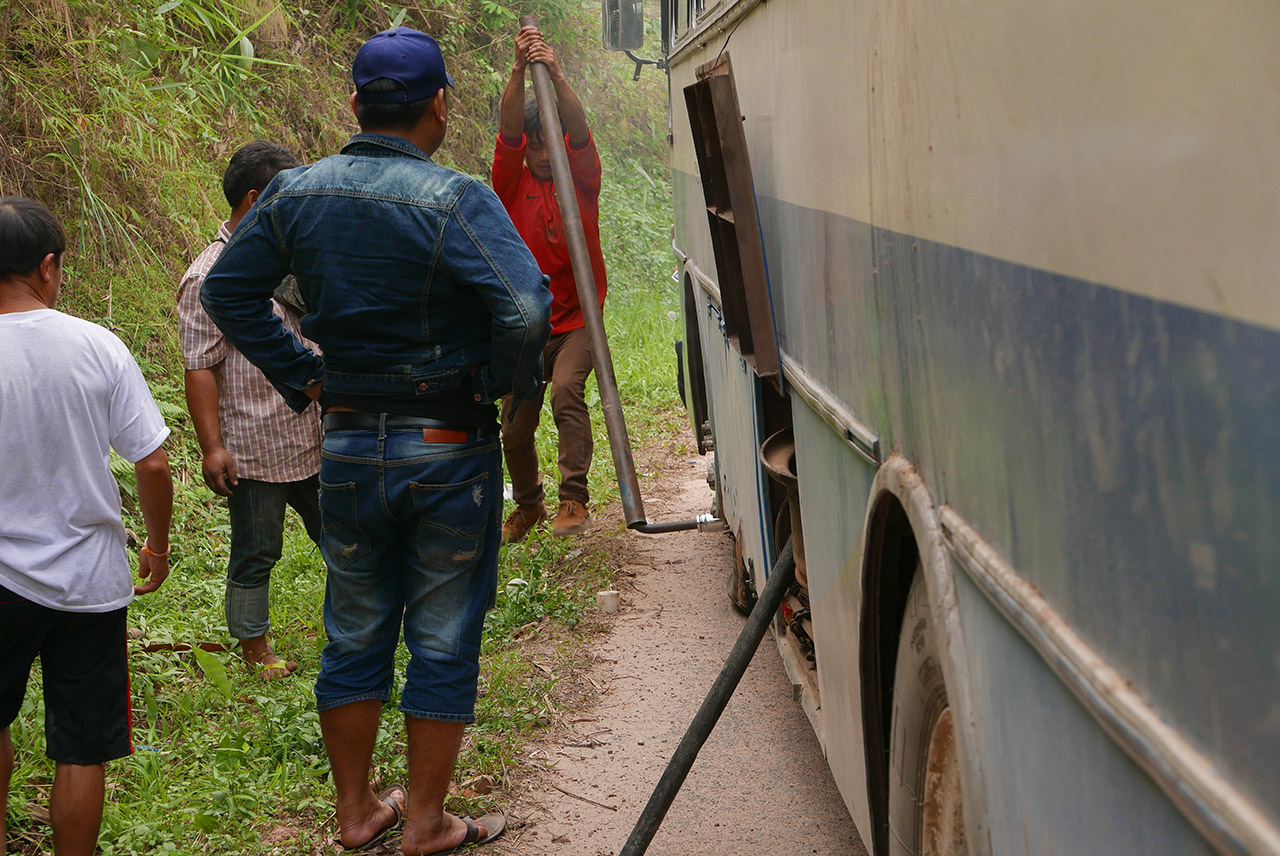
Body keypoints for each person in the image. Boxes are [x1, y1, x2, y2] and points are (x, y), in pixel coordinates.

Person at [201, 27, 550, 855]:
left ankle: (358, 812)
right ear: (439, 105)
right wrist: (495, 381)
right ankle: (426, 823)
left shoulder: (293, 195)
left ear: (354, 103)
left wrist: (306, 375)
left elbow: (227, 291)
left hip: (349, 444)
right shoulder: (459, 199)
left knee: (354, 627)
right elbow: (527, 309)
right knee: (441, 634)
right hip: (448, 442)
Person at [0, 198, 173, 856]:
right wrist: (155, 545)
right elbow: (153, 463)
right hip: (88, 582)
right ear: (48, 268)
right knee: (80, 748)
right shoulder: (95, 346)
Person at [176, 140, 323, 681]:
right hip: (255, 446)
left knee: (344, 535)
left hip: (313, 434)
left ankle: (360, 625)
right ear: (258, 199)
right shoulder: (208, 275)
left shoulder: (283, 255)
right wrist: (213, 447)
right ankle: (254, 648)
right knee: (256, 551)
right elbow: (200, 366)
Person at [491, 25, 609, 544]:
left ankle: (573, 499)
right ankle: (529, 504)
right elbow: (509, 130)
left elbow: (580, 128)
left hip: (578, 319)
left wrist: (555, 72)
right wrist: (519, 69)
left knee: (566, 392)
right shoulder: (512, 181)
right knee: (514, 425)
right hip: (526, 323)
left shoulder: (579, 176)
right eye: (533, 144)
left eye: (548, 143)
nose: (541, 153)